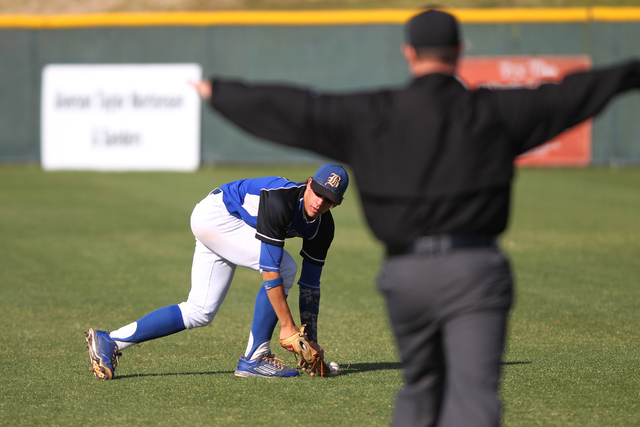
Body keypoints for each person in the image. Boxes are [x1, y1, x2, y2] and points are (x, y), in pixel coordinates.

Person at [191, 8, 640, 426]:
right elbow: (570, 96)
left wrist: (222, 93)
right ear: (460, 52)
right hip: (476, 271)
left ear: (408, 53)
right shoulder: (493, 112)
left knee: (420, 390)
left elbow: (300, 110)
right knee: (475, 395)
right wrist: (630, 73)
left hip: (407, 277)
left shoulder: (375, 115)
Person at [85, 163, 349, 380]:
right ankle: (256, 357)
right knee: (282, 266)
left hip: (225, 223)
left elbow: (311, 286)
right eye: (319, 191)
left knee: (199, 310)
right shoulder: (281, 200)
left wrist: (310, 342)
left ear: (336, 204)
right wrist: (289, 327)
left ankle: (110, 341)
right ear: (310, 183)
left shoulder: (323, 227)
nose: (320, 201)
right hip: (218, 216)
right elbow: (270, 269)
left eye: (329, 199)